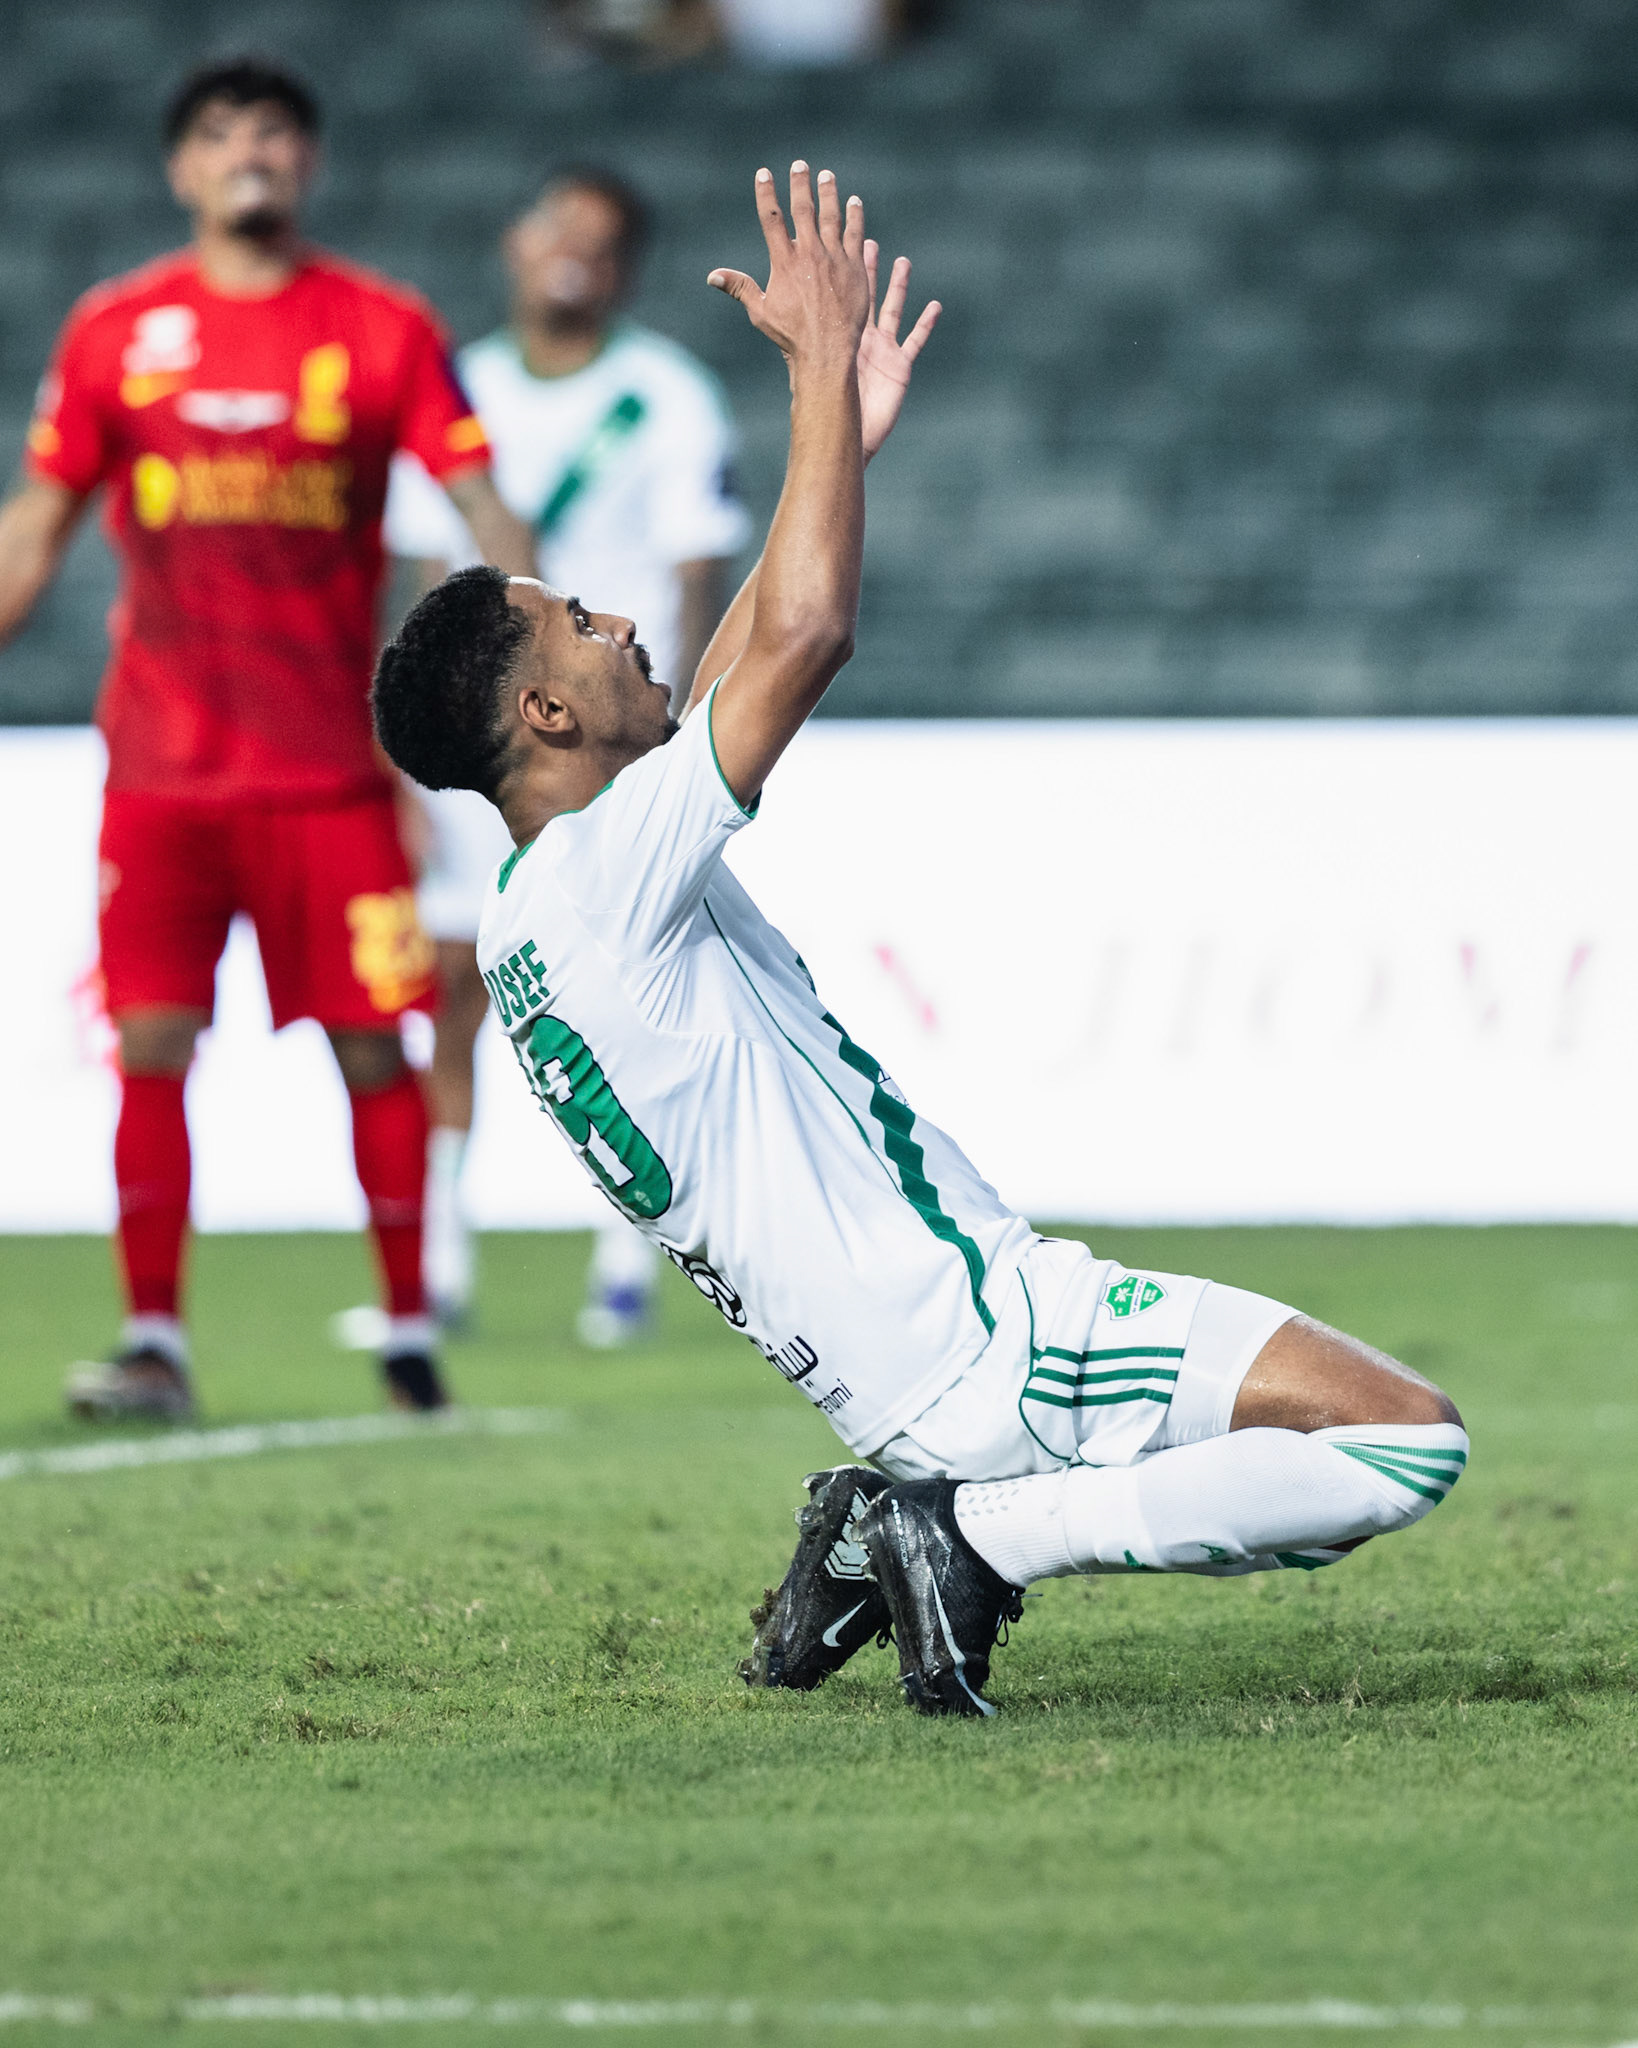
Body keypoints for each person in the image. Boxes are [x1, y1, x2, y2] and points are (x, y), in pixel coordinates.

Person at [370, 163, 1469, 1718]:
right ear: (544, 713)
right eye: (582, 626)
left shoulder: (536, 915)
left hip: (898, 1384)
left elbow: (747, 634)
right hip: (996, 1342)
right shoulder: (612, 865)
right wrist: (816, 369)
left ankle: (906, 1520)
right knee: (1402, 1441)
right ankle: (970, 1537)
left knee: (1317, 1438)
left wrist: (839, 447)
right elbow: (806, 638)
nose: (623, 627)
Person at [0, 58, 538, 1421]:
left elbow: (481, 505)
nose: (251, 152)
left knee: (373, 1046)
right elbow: (36, 524)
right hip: (164, 772)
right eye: (222, 133)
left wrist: (530, 643)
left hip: (329, 776)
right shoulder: (117, 331)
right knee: (152, 1042)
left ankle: (409, 1325)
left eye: (276, 132)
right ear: (182, 169)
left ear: (309, 162)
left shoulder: (382, 328)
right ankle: (153, 1342)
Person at [383, 167, 749, 1340]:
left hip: (610, 732)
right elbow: (416, 578)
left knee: (634, 990)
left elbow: (698, 576)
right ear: (515, 240)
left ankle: (629, 1260)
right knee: (449, 987)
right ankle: (439, 1257)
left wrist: (675, 725)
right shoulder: (460, 390)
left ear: (626, 263)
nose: (573, 252)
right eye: (557, 226)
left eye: (601, 237)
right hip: (487, 736)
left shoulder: (669, 394)